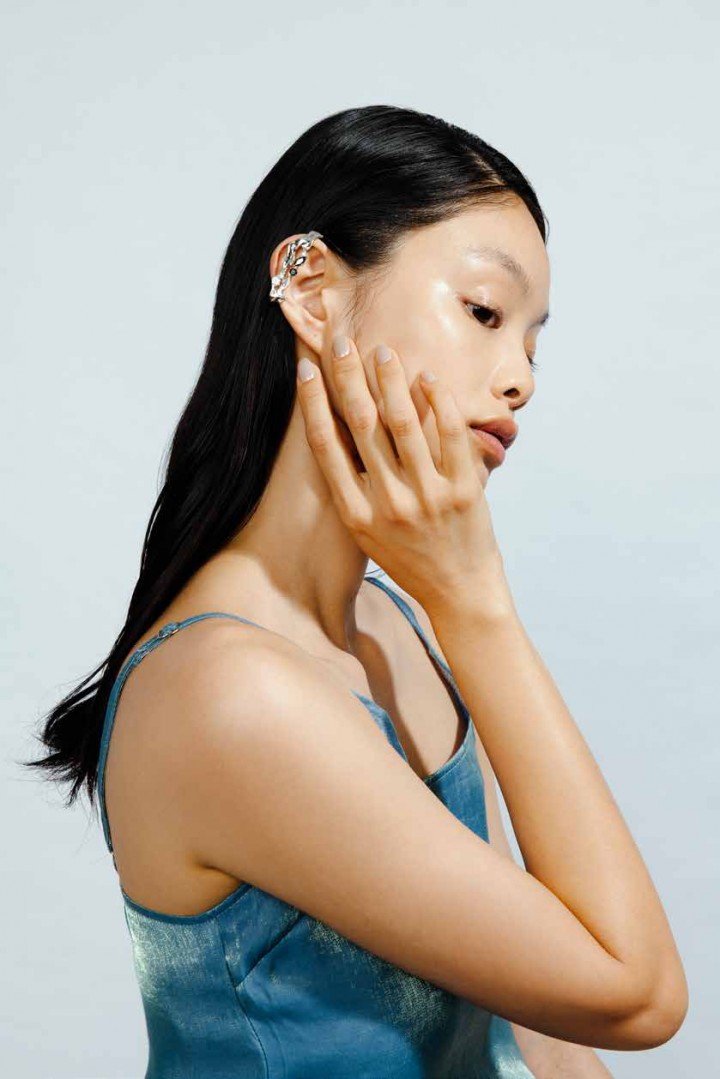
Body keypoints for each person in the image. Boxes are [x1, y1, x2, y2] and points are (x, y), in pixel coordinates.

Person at [26, 104, 687, 1077]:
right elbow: (636, 993)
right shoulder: (234, 691)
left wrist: (454, 608)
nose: (520, 379)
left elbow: (534, 1018)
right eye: (484, 312)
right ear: (311, 287)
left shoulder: (392, 621)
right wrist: (478, 602)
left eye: (533, 342)